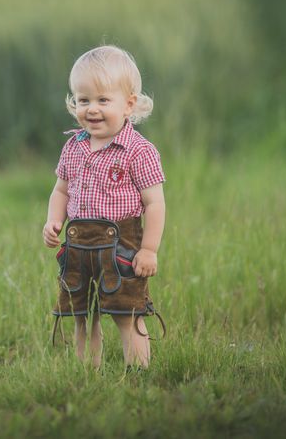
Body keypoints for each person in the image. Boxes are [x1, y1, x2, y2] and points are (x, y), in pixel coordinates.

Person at [42, 45, 166, 369]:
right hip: (79, 242)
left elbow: (154, 204)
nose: (91, 110)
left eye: (102, 100)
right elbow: (61, 190)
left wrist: (149, 249)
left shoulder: (139, 151)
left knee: (128, 311)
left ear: (129, 104)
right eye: (83, 100)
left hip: (121, 243)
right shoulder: (73, 146)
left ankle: (138, 371)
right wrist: (54, 221)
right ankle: (87, 372)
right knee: (83, 313)